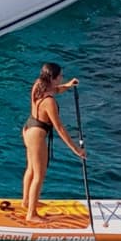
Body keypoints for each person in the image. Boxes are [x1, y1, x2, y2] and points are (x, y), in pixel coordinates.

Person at [21, 62, 85, 221]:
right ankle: (31, 214)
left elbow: (56, 90)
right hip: (37, 135)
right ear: (54, 78)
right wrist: (76, 150)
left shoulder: (39, 84)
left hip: (28, 128)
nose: (62, 77)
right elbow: (60, 129)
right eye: (61, 76)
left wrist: (68, 85)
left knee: (31, 169)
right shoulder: (49, 102)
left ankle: (26, 202)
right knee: (39, 175)